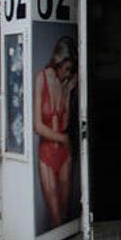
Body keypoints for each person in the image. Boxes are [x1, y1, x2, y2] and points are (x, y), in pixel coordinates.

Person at [33, 36, 78, 229]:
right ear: (58, 61)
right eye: (66, 68)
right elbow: (37, 125)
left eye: (70, 70)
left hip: (64, 153)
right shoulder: (41, 78)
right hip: (48, 152)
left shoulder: (63, 83)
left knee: (65, 213)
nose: (67, 73)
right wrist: (63, 138)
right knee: (56, 216)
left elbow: (65, 122)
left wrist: (67, 93)